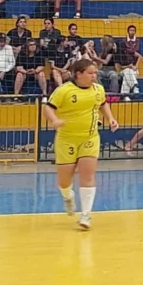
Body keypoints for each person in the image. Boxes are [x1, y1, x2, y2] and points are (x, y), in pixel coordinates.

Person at [42, 59, 119, 230]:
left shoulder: (98, 89)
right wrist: (54, 120)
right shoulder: (64, 90)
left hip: (90, 137)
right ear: (79, 74)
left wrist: (110, 118)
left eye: (95, 73)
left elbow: (103, 104)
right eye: (90, 73)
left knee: (88, 176)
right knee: (64, 181)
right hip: (67, 139)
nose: (94, 76)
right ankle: (68, 196)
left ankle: (86, 215)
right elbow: (48, 108)